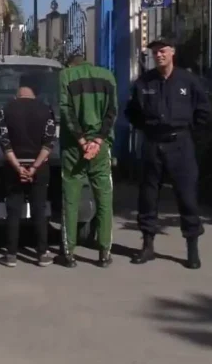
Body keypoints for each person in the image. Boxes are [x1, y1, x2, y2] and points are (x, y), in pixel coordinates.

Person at [125, 37, 212, 270]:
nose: (159, 55)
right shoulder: (144, 82)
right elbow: (132, 112)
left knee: (187, 196)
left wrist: (189, 132)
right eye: (155, 52)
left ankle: (192, 249)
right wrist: (148, 128)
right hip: (153, 144)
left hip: (180, 144)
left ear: (172, 52)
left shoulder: (188, 80)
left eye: (162, 51)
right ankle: (147, 246)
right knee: (148, 196)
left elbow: (204, 110)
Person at [57, 53, 118, 268]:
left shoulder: (66, 76)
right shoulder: (108, 76)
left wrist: (83, 142)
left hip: (74, 148)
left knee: (70, 200)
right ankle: (104, 253)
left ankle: (69, 253)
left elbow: (66, 111)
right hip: (100, 148)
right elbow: (112, 112)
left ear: (69, 64)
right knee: (104, 199)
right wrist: (98, 140)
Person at [0, 75, 57, 267]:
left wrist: (18, 166)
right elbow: (49, 143)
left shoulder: (6, 109)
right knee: (39, 209)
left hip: (13, 167)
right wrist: (34, 167)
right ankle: (42, 253)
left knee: (13, 210)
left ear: (19, 88)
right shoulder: (46, 110)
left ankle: (11, 255)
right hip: (39, 167)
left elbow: (4, 141)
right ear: (36, 90)